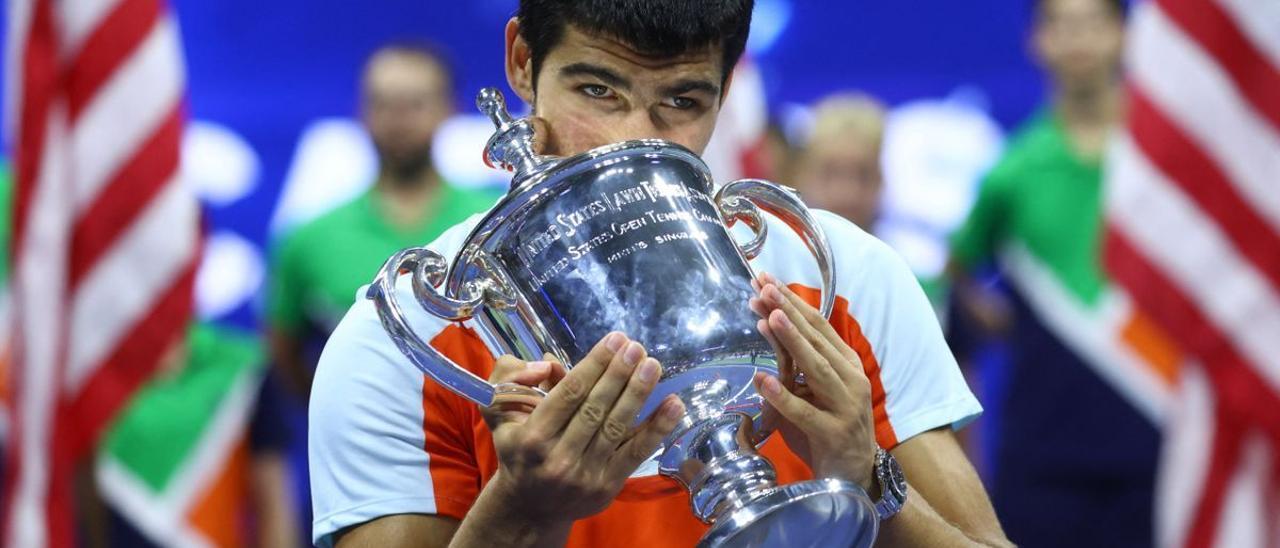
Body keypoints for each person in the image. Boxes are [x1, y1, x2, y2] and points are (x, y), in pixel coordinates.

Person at [310, 2, 1010, 546]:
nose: (631, 142)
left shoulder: (848, 279)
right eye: (596, 89)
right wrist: (522, 513)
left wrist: (868, 478)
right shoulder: (404, 339)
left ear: (727, 91)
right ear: (522, 60)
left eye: (681, 102)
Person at [946, 0, 1154, 545]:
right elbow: (957, 270)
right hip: (1044, 446)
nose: (1079, 38)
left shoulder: (1165, 167)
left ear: (1125, 36)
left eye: (1094, 22)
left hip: (1157, 432)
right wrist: (1004, 324)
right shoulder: (1012, 172)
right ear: (1037, 42)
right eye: (1061, 23)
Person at [267, 43, 500, 399]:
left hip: (484, 438)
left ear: (449, 110)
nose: (398, 120)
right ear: (361, 111)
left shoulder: (491, 223)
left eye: (415, 104)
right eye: (383, 103)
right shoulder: (309, 238)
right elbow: (284, 350)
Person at [790, 93, 887, 232]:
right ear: (803, 175)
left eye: (863, 175)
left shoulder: (908, 251)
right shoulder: (774, 250)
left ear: (880, 178)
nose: (846, 194)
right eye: (830, 173)